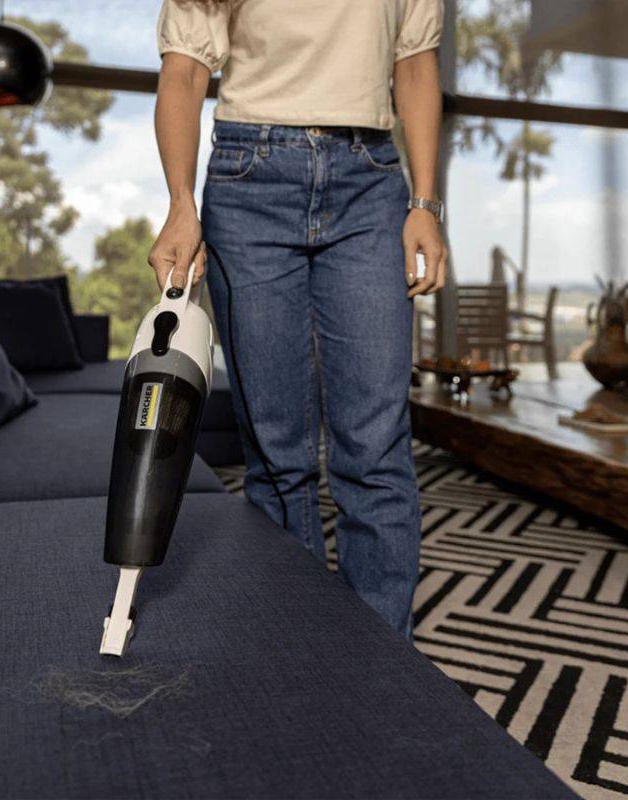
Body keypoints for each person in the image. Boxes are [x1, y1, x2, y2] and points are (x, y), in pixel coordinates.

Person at [149, 0, 446, 639]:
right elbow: (185, 72)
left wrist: (425, 204)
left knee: (376, 448)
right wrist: (179, 205)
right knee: (277, 452)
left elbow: (416, 65)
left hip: (370, 178)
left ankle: (380, 663)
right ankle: (299, 651)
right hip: (248, 176)